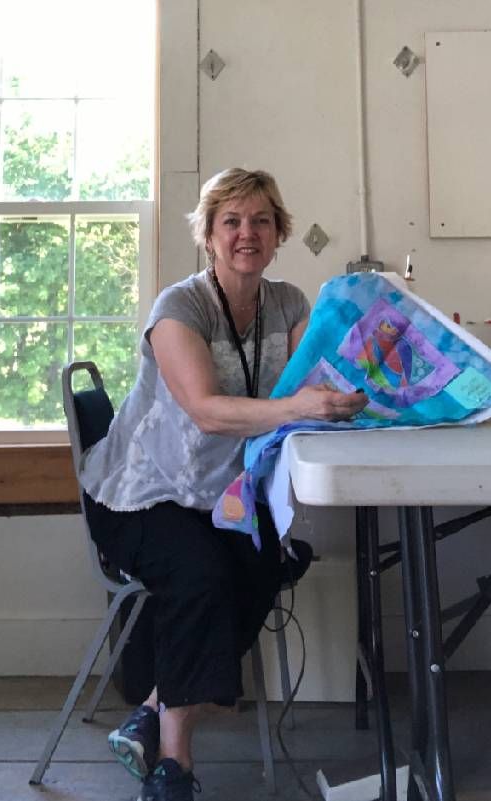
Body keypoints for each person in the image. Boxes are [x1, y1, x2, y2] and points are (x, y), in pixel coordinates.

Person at [79, 167, 368, 801]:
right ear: (208, 236)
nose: (247, 233)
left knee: (270, 562)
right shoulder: (178, 307)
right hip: (140, 494)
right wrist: (301, 406)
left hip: (222, 494)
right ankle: (175, 767)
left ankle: (154, 709)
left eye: (261, 220)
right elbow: (207, 410)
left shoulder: (290, 302)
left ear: (278, 232)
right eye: (231, 221)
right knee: (204, 576)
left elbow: (317, 374)